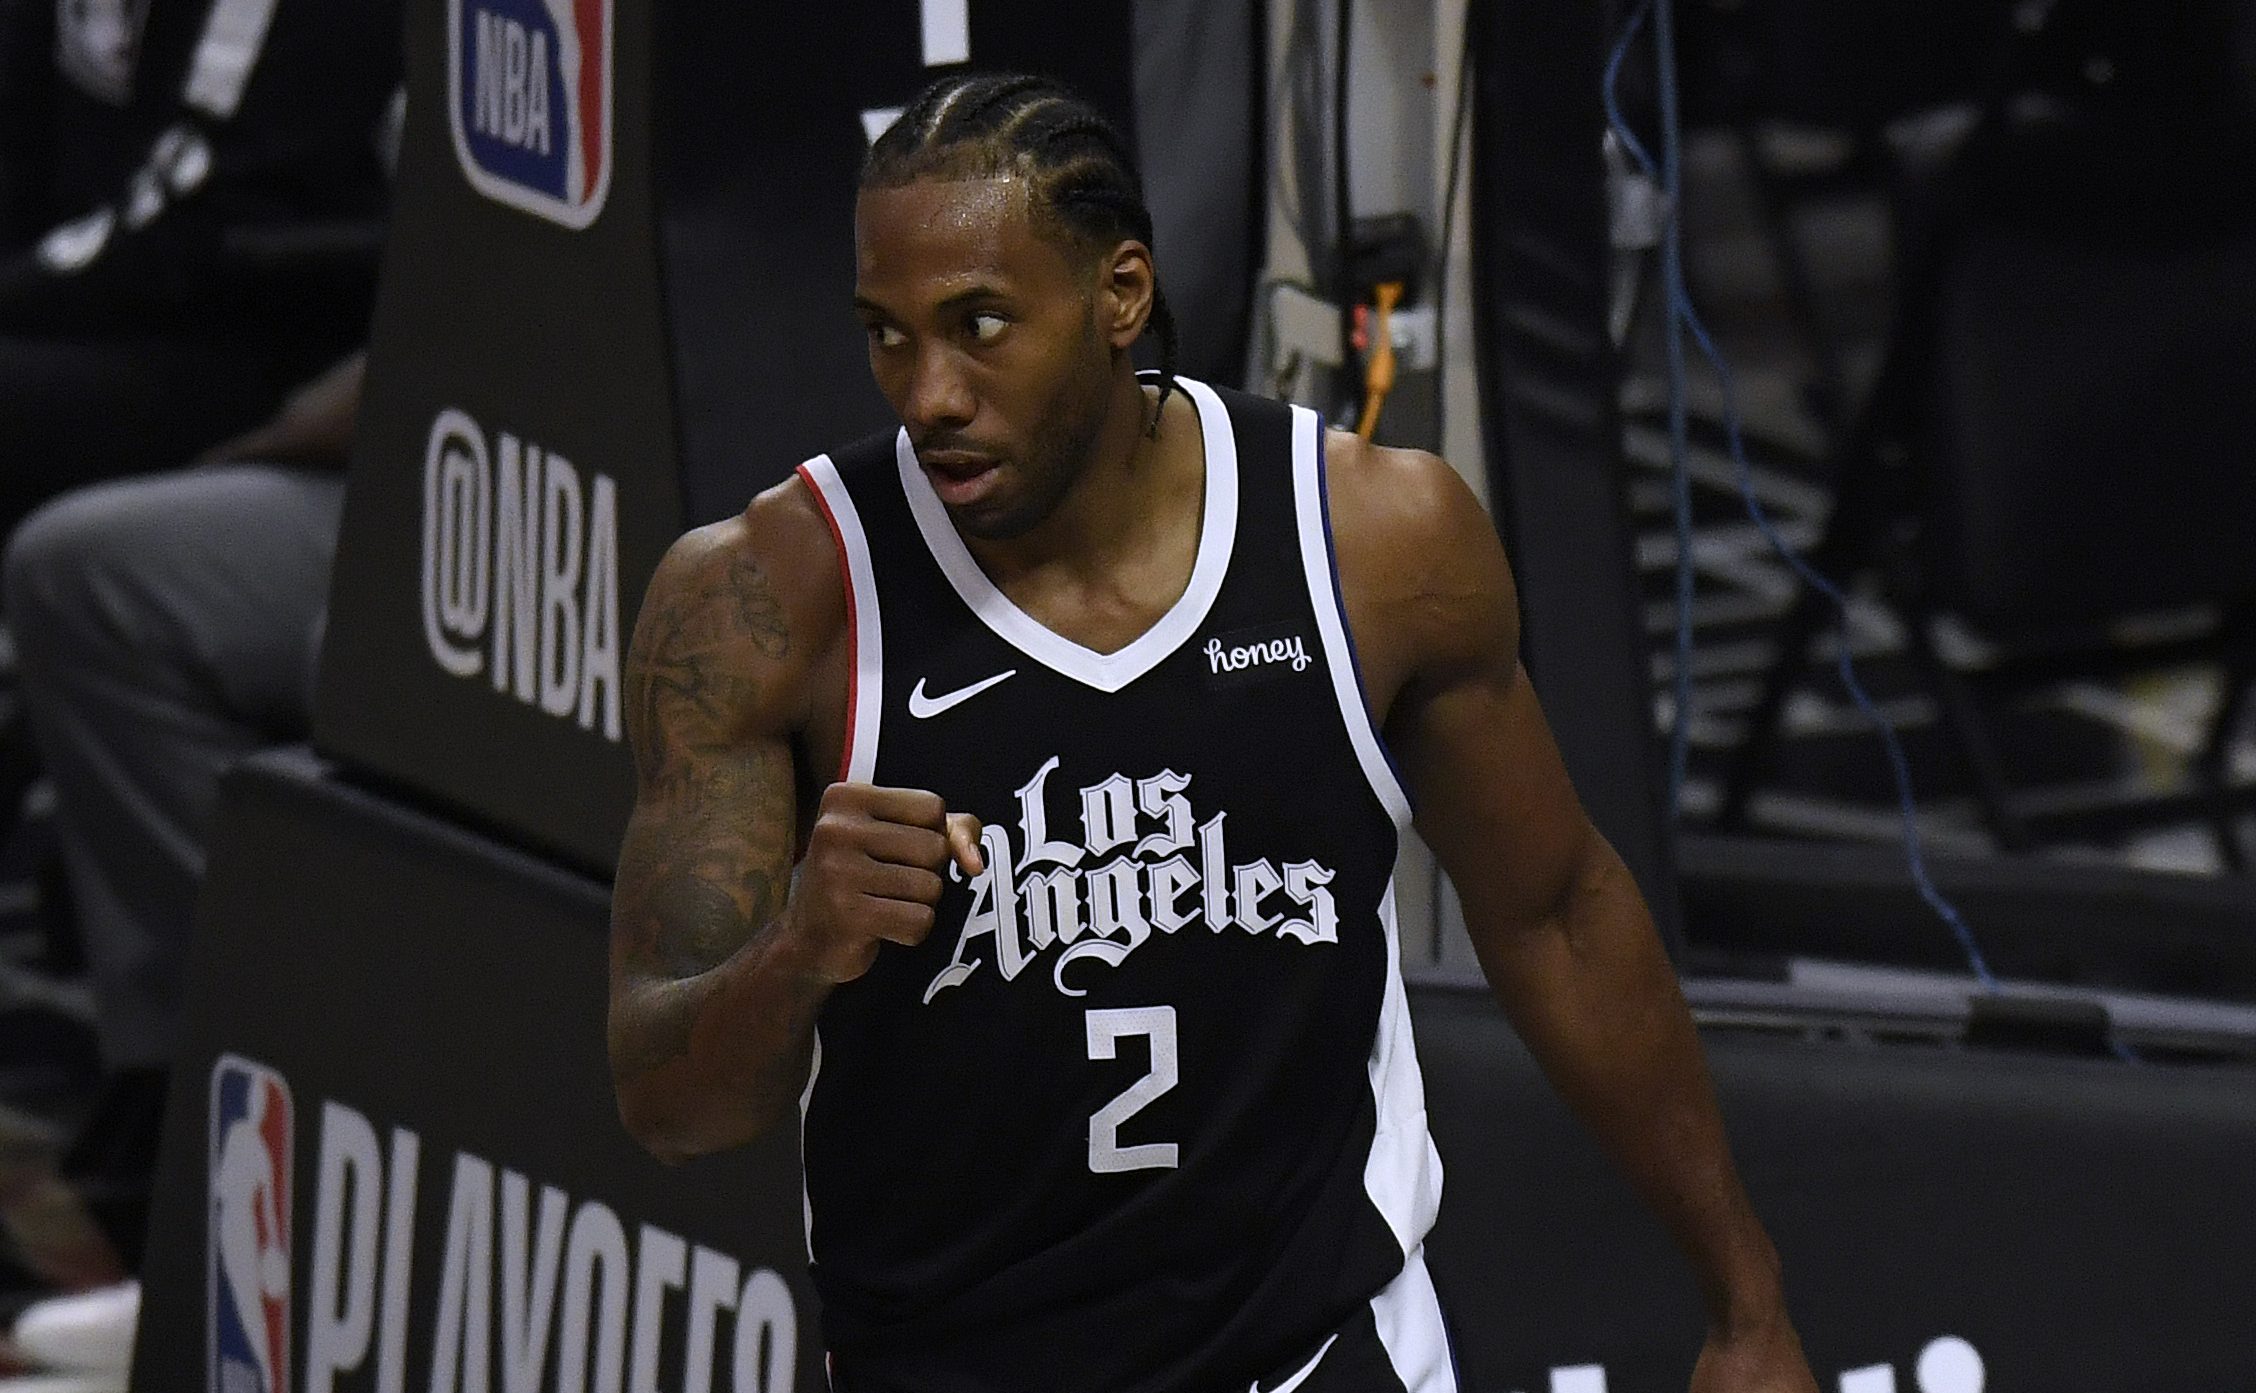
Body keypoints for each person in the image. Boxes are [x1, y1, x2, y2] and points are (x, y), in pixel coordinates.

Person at [607, 73, 1817, 1393]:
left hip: (1317, 1352)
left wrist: (1745, 1301)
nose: (929, 392)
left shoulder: (1372, 545)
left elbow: (1562, 914)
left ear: (1120, 295)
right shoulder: (767, 601)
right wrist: (799, 948)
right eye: (887, 335)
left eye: (982, 325)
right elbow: (670, 1102)